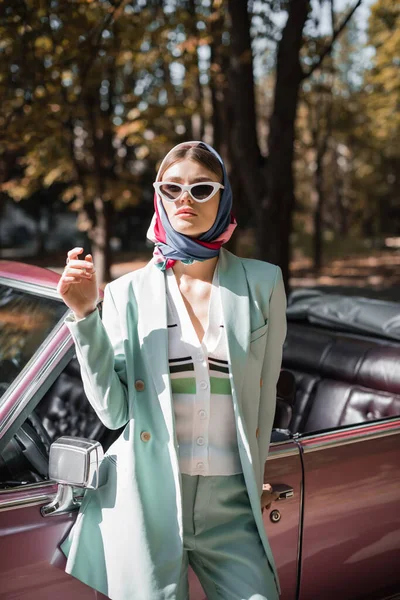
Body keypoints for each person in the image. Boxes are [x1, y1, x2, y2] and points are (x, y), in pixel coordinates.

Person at [57, 140, 287, 600]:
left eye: (202, 189)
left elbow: (264, 399)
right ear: (158, 195)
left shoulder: (264, 282)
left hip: (231, 505)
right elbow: (113, 412)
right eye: (172, 187)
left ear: (223, 199)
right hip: (149, 501)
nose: (186, 199)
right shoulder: (125, 293)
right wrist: (85, 317)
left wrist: (255, 472)